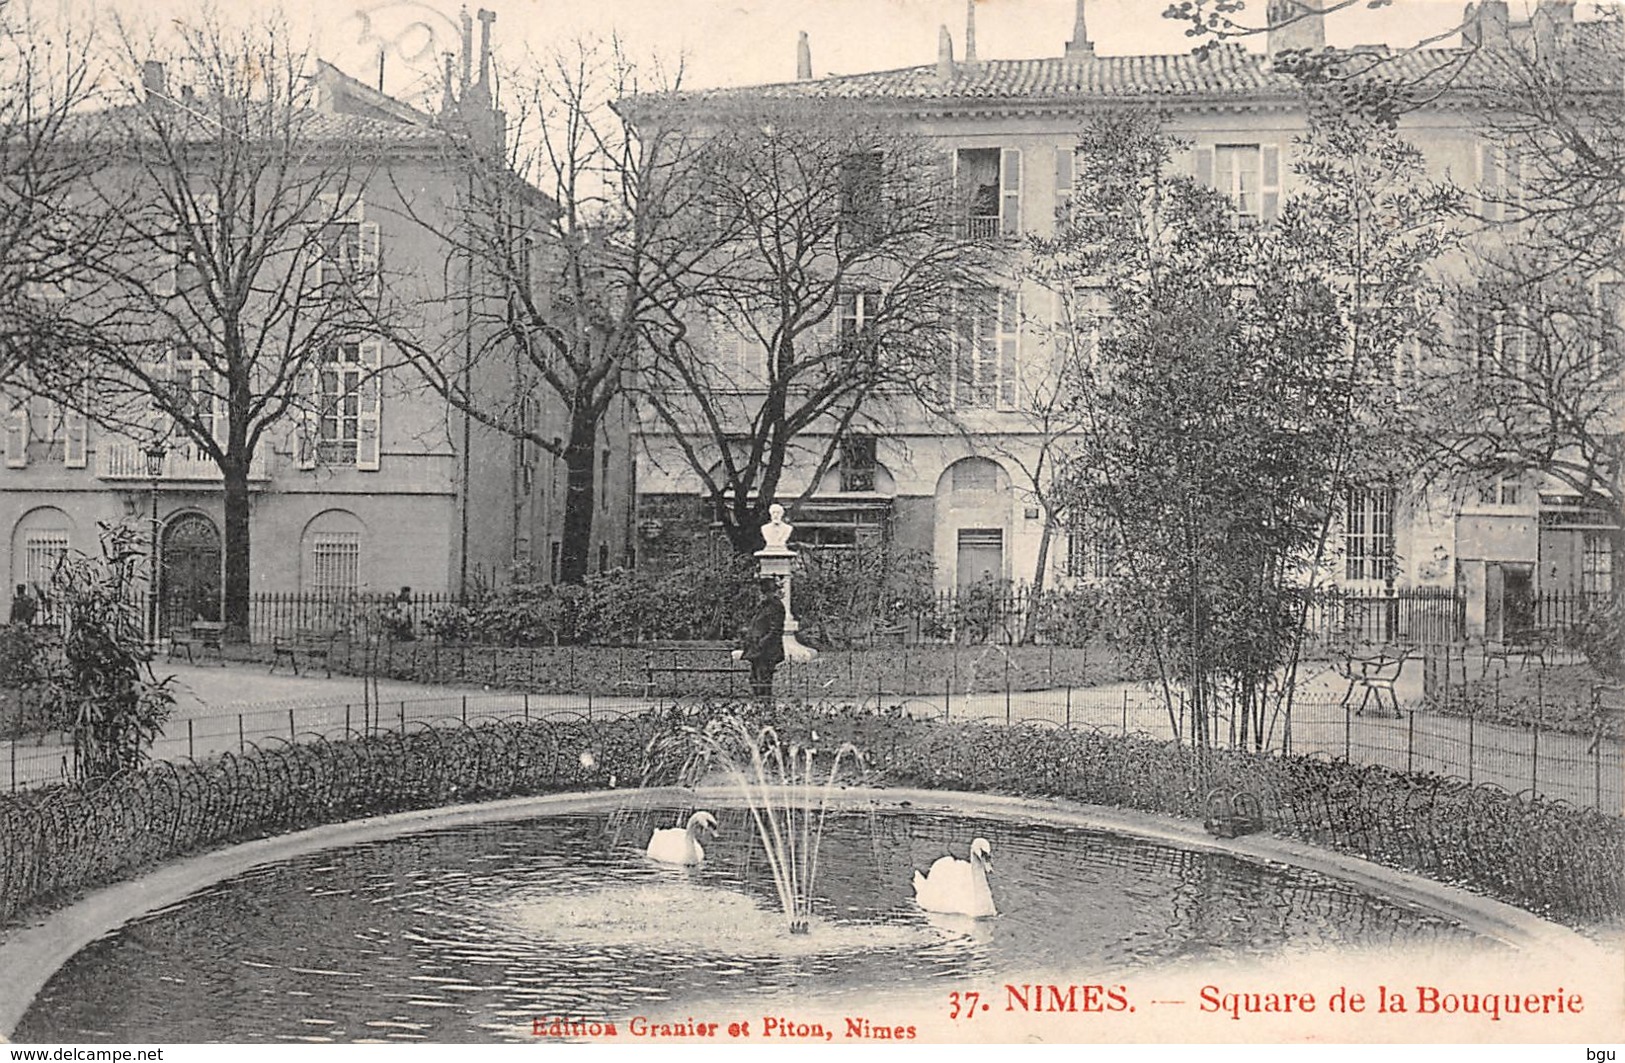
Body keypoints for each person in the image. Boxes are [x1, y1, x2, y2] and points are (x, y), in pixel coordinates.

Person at [735, 577, 785, 702]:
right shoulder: (763, 606)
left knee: (763, 681)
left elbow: (776, 630)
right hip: (757, 650)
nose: (760, 596)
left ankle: (766, 708)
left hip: (767, 651)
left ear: (769, 592)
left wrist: (761, 642)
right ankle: (760, 707)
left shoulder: (776, 606)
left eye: (762, 593)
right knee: (755, 680)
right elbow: (758, 624)